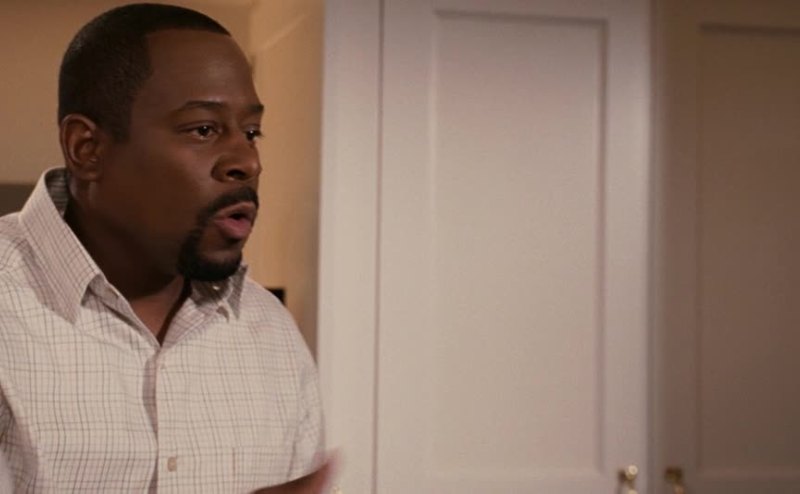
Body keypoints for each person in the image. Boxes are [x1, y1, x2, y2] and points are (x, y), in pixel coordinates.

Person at [0, 3, 331, 492]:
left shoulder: (271, 331)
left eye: (251, 132)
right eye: (204, 129)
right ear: (87, 149)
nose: (247, 161)